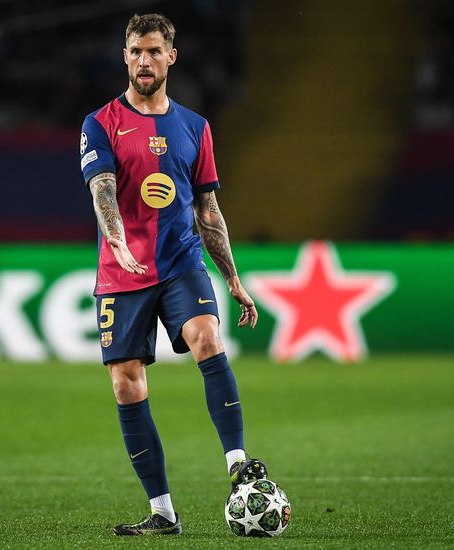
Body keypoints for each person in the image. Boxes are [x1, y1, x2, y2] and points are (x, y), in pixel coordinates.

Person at [79, 13, 267, 536]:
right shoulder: (100, 123)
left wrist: (232, 277)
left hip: (180, 261)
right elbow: (102, 189)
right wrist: (115, 236)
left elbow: (208, 211)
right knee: (126, 385)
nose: (144, 60)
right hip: (122, 273)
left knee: (206, 335)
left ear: (171, 58)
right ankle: (163, 511)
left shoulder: (195, 127)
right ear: (125, 57)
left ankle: (238, 466)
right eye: (136, 51)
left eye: (154, 51)